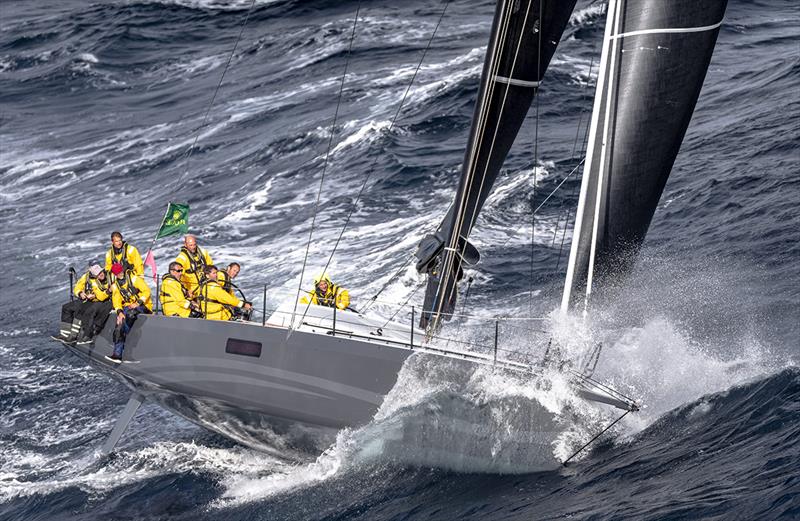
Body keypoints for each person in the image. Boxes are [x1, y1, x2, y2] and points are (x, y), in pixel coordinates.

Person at [107, 262, 152, 363]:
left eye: (121, 272)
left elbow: (147, 291)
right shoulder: (115, 286)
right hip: (128, 306)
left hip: (143, 305)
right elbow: (116, 300)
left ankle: (122, 336)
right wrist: (119, 312)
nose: (120, 274)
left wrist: (138, 302)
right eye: (117, 273)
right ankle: (117, 355)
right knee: (121, 322)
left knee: (130, 316)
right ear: (115, 274)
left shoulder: (134, 278)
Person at [58, 264, 113, 343]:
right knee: (66, 307)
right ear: (94, 275)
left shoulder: (108, 278)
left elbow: (102, 296)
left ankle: (75, 335)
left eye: (101, 272)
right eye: (97, 274)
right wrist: (80, 293)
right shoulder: (87, 277)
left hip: (99, 301)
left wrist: (94, 296)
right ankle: (65, 334)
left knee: (84, 310)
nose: (101, 274)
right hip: (87, 299)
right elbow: (78, 286)